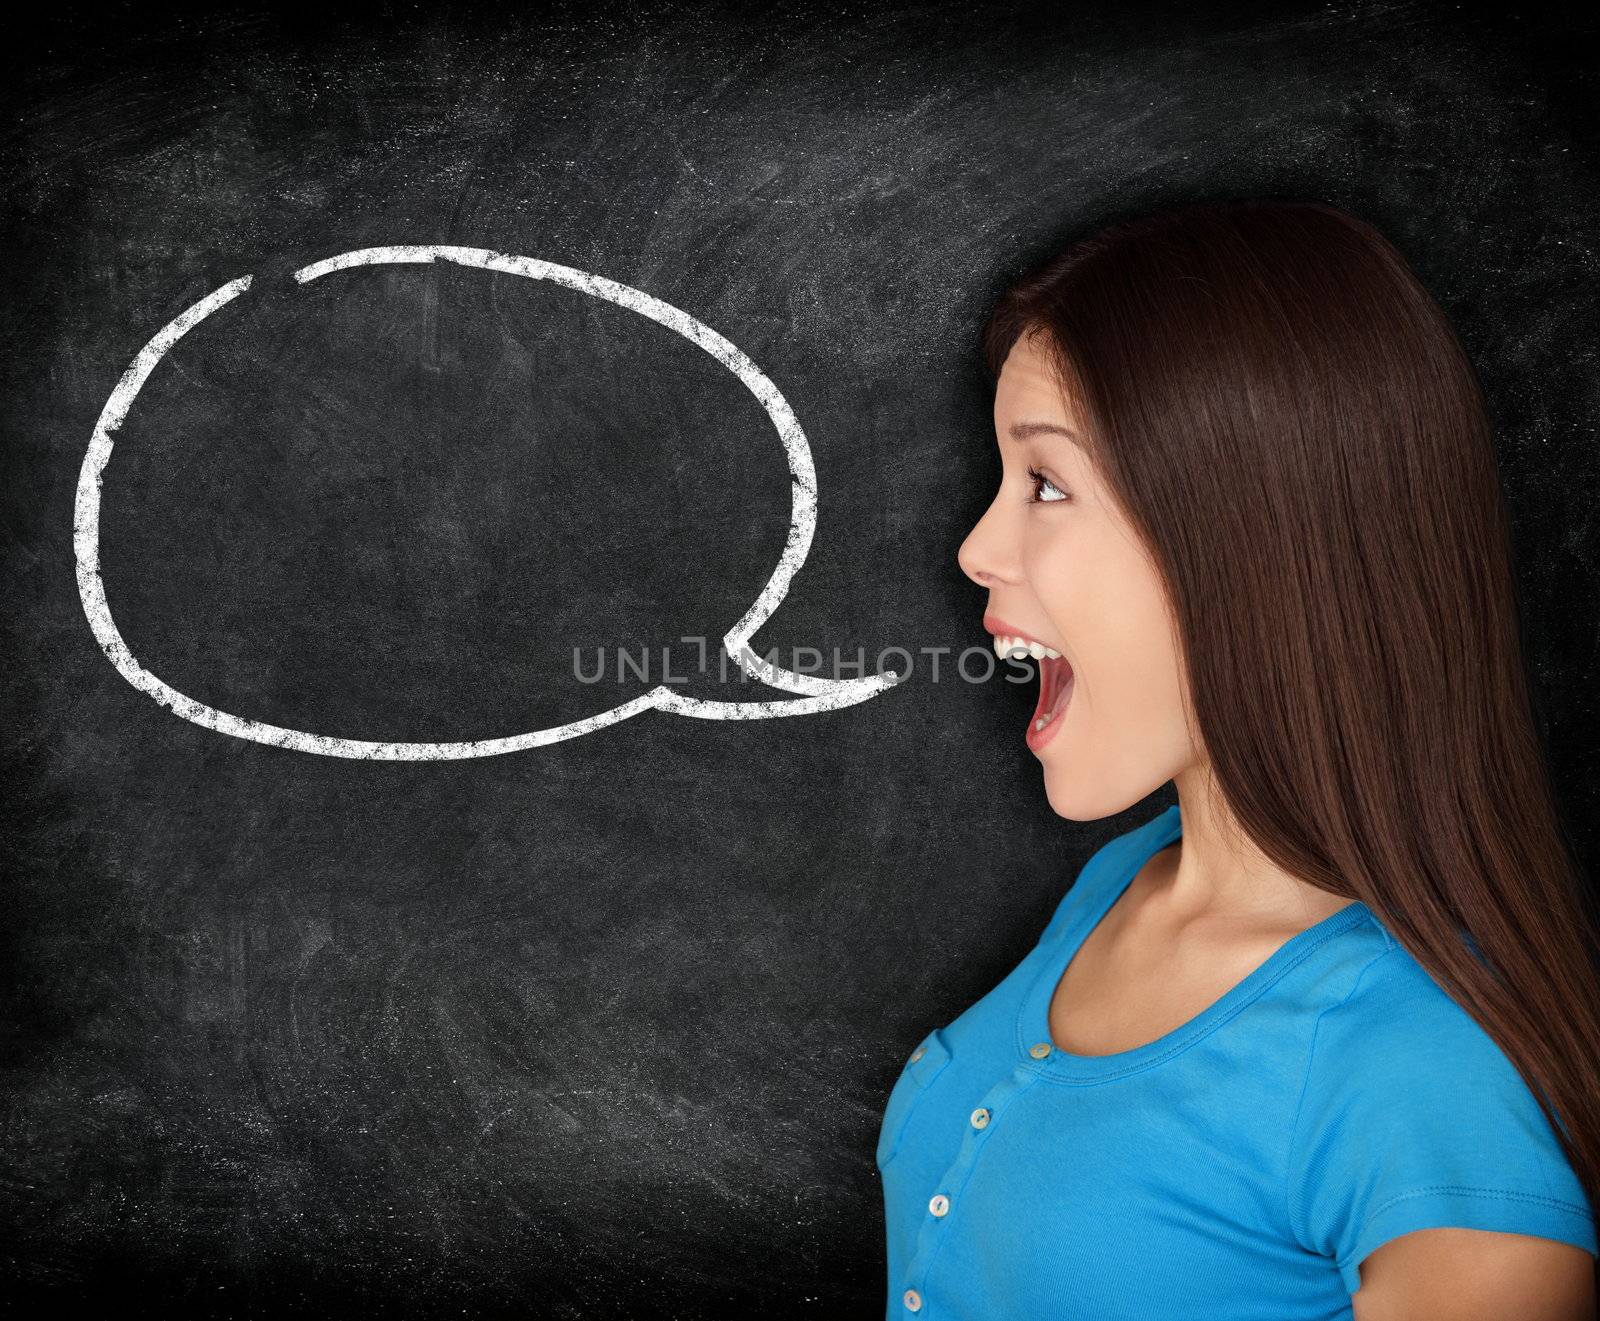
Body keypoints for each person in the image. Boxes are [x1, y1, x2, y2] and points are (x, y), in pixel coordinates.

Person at [877, 199, 1600, 1319]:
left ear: (1249, 537)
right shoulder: (1124, 881)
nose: (975, 548)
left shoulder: (1426, 1069)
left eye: (1047, 484)